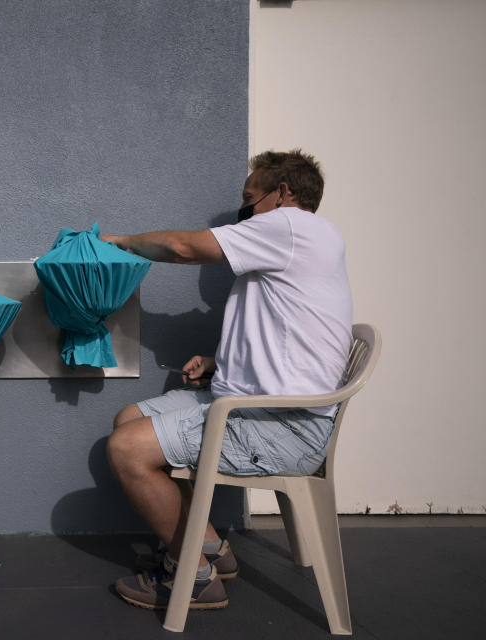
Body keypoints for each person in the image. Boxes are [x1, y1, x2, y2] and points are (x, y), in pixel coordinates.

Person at [101, 149, 352, 611]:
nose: (243, 212)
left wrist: (121, 243)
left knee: (126, 450)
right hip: (263, 407)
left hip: (285, 427)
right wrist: (220, 363)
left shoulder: (290, 225)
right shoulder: (309, 240)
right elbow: (291, 332)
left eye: (249, 199)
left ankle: (194, 579)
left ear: (283, 193)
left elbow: (183, 248)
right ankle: (211, 547)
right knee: (128, 418)